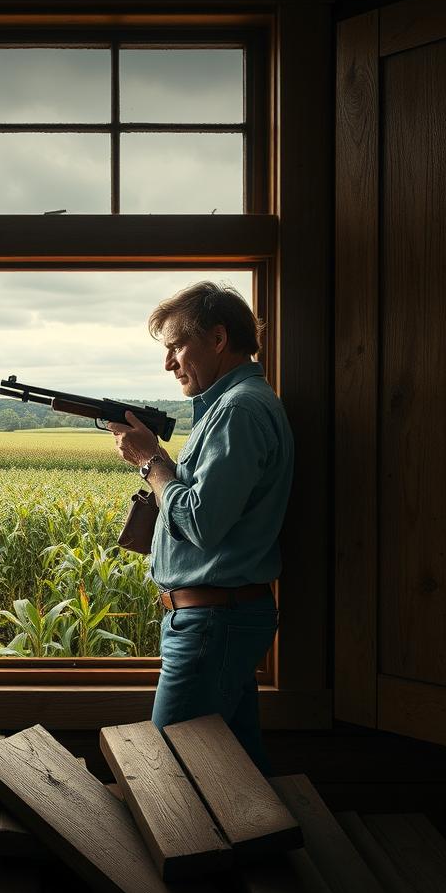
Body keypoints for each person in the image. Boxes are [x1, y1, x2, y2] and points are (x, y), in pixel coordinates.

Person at [107, 281, 294, 777]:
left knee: (170, 775)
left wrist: (150, 461)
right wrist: (161, 465)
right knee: (237, 774)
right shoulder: (235, 406)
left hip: (214, 621)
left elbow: (200, 521)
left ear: (216, 339)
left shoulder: (238, 411)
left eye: (175, 347)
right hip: (217, 616)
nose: (168, 363)